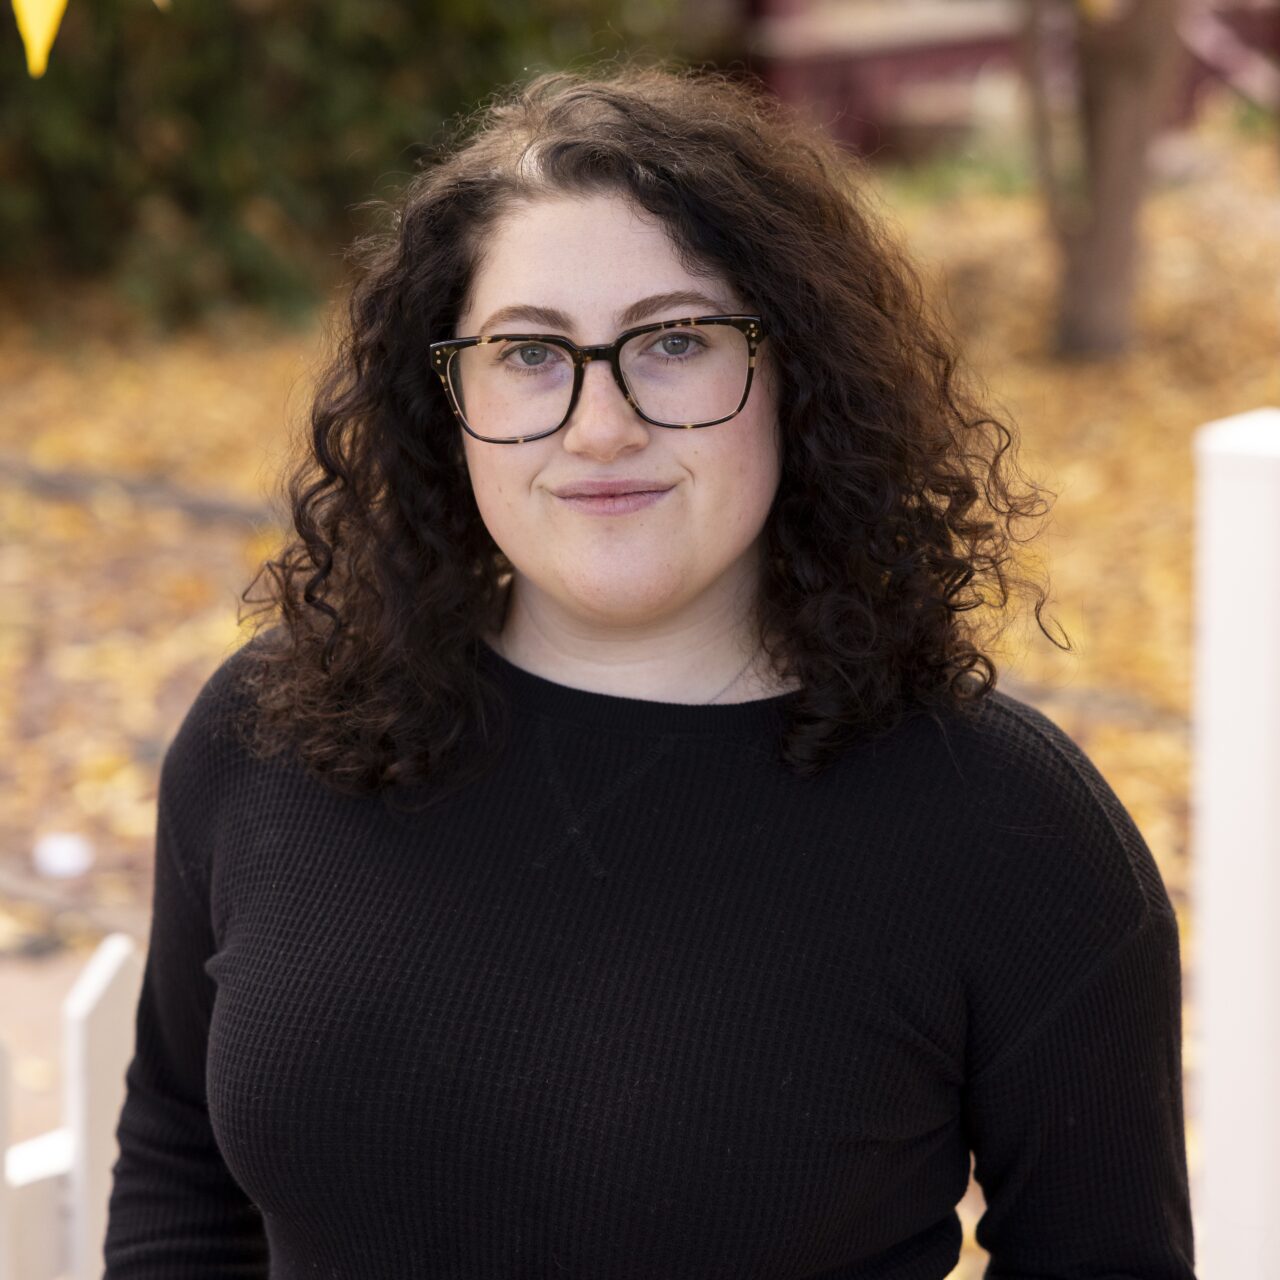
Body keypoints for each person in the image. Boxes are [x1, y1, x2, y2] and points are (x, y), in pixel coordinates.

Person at [102, 62, 1196, 1279]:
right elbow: (178, 1165)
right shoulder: (272, 732)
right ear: (445, 395)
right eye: (527, 352)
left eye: (672, 341)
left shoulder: (1009, 832)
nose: (598, 423)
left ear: (800, 372)